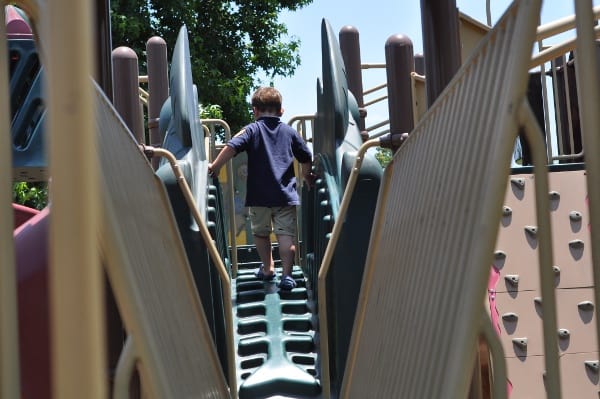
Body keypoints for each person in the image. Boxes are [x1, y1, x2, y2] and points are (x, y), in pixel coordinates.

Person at [208, 87, 314, 290]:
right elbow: (306, 156)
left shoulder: (251, 129)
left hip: (258, 197)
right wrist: (307, 174)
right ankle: (287, 276)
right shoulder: (290, 132)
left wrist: (215, 166)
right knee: (286, 236)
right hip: (285, 195)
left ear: (255, 111)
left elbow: (231, 146)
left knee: (261, 234)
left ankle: (268, 268)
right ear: (281, 111)